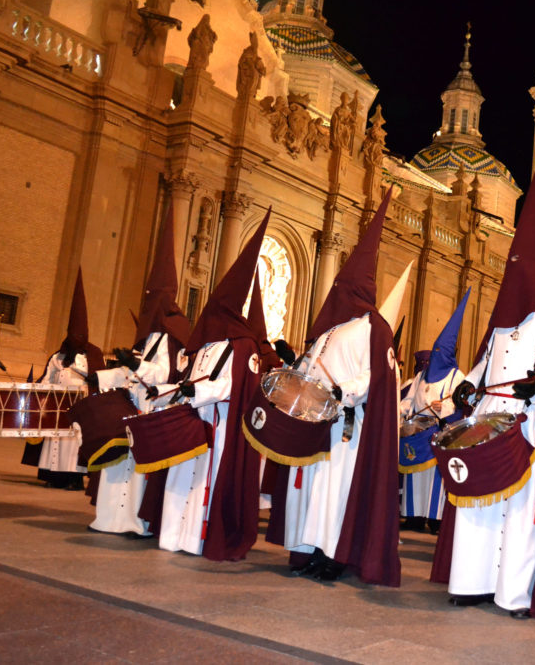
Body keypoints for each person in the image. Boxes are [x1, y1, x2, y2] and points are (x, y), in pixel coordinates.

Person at [430, 140, 535, 621]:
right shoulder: (502, 320)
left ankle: (514, 593)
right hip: (488, 420)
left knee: (523, 511)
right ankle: (470, 581)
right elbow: (486, 363)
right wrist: (468, 384)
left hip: (531, 424)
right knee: (478, 500)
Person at [272, 191, 400, 586]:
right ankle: (311, 549)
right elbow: (310, 370)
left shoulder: (371, 328)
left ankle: (335, 554)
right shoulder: (327, 330)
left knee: (335, 492)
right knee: (314, 490)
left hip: (348, 428)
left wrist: (345, 392)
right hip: (316, 421)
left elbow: (376, 376)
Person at [148, 211, 270, 560]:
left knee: (203, 481)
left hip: (219, 425)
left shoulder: (243, 345)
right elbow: (190, 376)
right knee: (181, 477)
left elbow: (234, 387)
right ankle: (174, 535)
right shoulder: (205, 342)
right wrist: (171, 394)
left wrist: (197, 392)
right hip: (192, 418)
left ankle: (200, 535)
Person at [89, 206, 190, 536]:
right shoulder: (148, 337)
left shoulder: (170, 336)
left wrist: (137, 365)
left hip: (149, 409)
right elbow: (132, 372)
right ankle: (108, 518)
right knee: (117, 466)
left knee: (134, 470)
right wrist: (104, 375)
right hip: (130, 405)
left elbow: (162, 374)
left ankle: (133, 520)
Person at [22, 270, 104, 490]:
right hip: (56, 406)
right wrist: (39, 391)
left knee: (72, 445)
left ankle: (73, 479)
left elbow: (97, 379)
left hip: (79, 407)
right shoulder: (57, 356)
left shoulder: (92, 355)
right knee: (54, 441)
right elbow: (47, 378)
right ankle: (53, 476)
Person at [398, 288, 470, 534]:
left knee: (435, 480)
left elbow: (461, 402)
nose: (437, 356)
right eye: (435, 351)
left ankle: (434, 518)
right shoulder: (421, 375)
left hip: (438, 432)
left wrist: (445, 408)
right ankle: (413, 516)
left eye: (441, 352)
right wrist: (401, 413)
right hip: (416, 432)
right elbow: (408, 400)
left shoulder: (455, 375)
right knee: (413, 477)